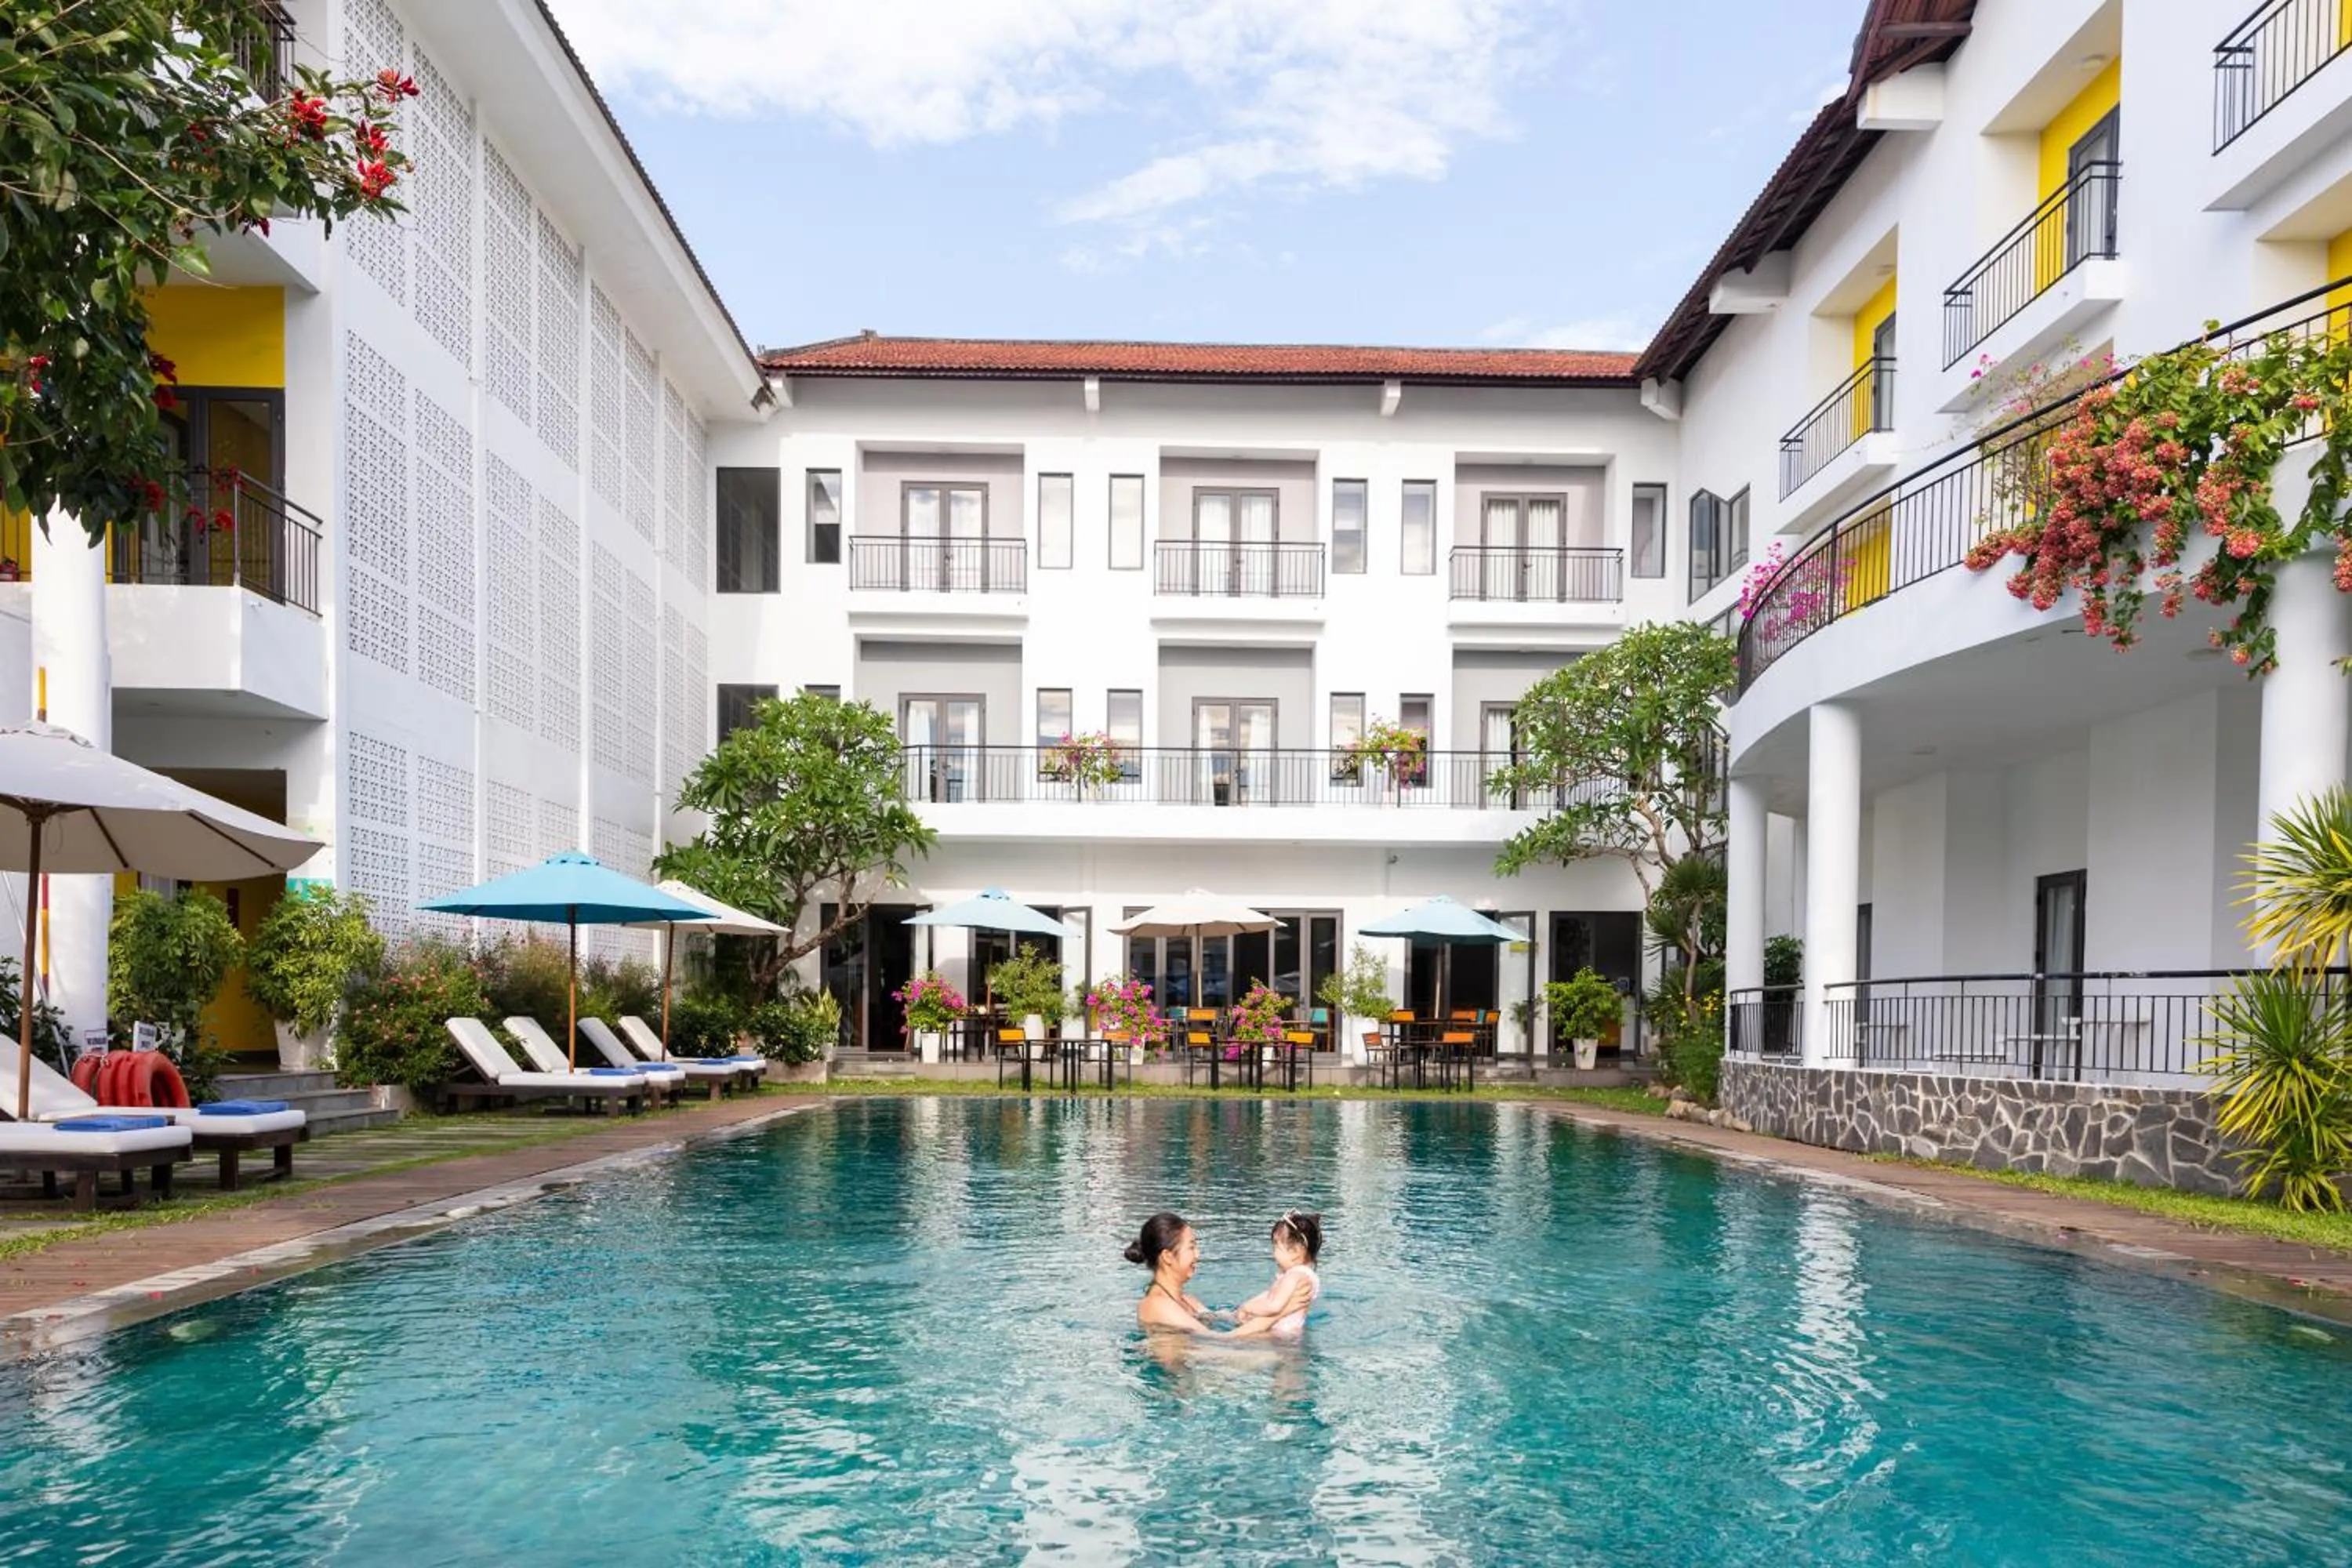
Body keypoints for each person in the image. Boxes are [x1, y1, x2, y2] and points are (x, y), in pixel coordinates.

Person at [1125, 1211, 1283, 1337]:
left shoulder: (1189, 1301)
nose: (1198, 1255)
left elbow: (1236, 1317)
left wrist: (1278, 1296)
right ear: (1168, 1256)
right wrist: (1278, 1315)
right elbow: (1218, 1339)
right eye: (1191, 1247)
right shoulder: (1156, 1305)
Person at [1232, 1211, 1322, 1338]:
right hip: (1292, 1336)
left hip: (1278, 1337)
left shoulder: (1293, 1276)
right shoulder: (1307, 1276)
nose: (1273, 1253)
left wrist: (1248, 1308)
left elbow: (1275, 1306)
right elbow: (1270, 1295)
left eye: (1276, 1246)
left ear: (1295, 1252)